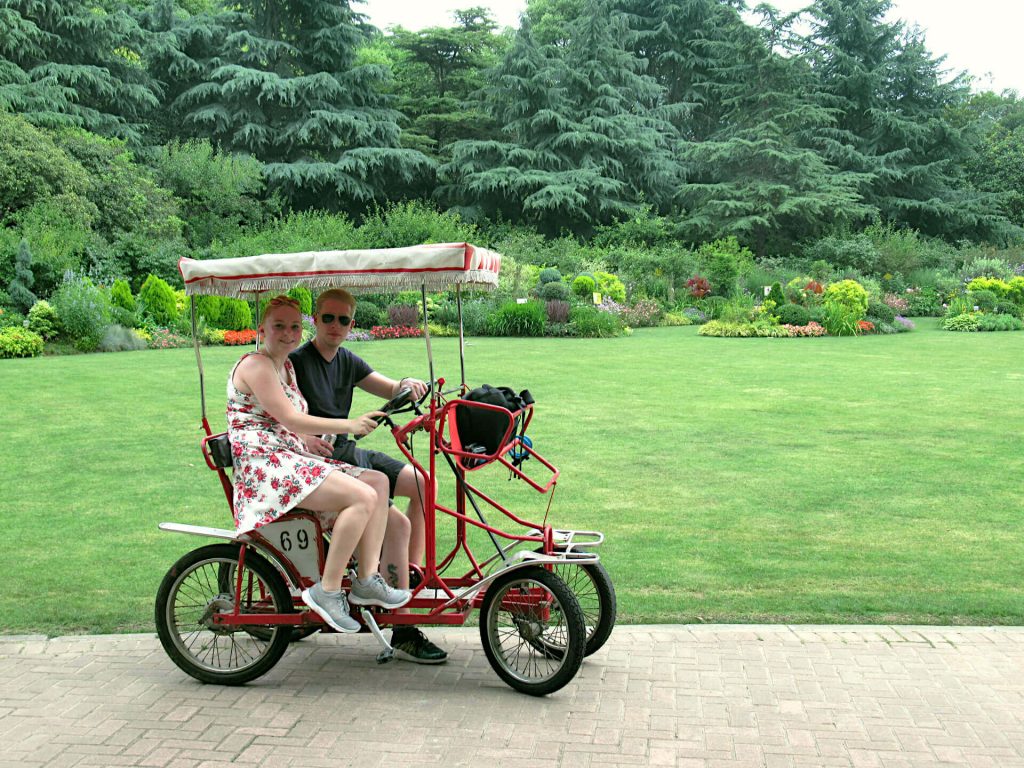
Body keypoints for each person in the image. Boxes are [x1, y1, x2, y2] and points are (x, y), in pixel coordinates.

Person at [227, 294, 411, 635]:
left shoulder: (285, 367)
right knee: (362, 497)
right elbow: (290, 418)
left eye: (294, 326)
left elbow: (291, 423)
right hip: (265, 467)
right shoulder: (256, 365)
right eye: (278, 326)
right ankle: (326, 591)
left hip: (289, 456)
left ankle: (367, 579)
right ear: (261, 328)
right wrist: (350, 425)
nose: (288, 333)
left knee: (377, 483)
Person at [290, 288, 448, 665]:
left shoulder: (347, 359)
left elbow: (391, 387)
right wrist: (303, 438)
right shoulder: (296, 362)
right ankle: (403, 624)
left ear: (352, 324)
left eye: (343, 320)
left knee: (425, 483)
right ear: (315, 319)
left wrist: (409, 384)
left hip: (351, 451)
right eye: (328, 318)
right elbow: (280, 413)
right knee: (396, 524)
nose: (335, 326)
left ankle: (408, 579)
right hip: (326, 461)